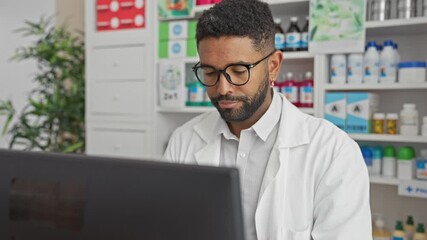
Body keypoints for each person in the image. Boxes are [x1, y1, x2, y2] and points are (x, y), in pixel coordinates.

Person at [162, 0, 372, 239]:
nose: (223, 88)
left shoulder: (333, 152)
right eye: (210, 72)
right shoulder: (184, 140)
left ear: (273, 66)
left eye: (239, 71)